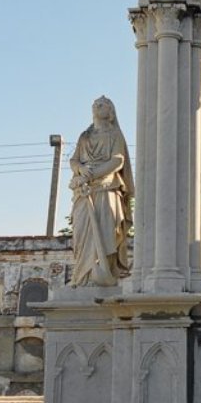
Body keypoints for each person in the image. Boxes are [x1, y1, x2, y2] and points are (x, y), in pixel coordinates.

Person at [69, 96, 134, 286]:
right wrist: (80, 170)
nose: (97, 107)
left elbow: (117, 160)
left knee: (107, 232)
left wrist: (91, 175)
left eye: (102, 105)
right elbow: (74, 160)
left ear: (111, 112)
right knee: (81, 232)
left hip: (106, 188)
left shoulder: (115, 135)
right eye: (95, 105)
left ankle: (105, 274)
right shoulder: (85, 136)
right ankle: (82, 277)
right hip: (83, 190)